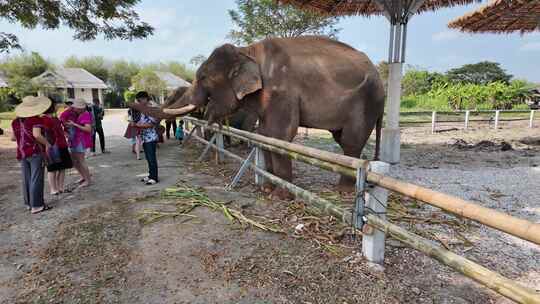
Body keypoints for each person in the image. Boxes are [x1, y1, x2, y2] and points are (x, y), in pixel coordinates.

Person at [11, 96, 53, 214]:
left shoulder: (15, 121)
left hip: (22, 153)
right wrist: (47, 144)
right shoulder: (36, 120)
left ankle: (29, 204)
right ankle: (37, 205)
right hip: (35, 152)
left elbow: (13, 138)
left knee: (27, 179)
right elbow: (37, 135)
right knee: (36, 178)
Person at [42, 98, 73, 195]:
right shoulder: (44, 119)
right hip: (52, 147)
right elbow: (46, 134)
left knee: (62, 167)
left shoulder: (55, 118)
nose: (57, 106)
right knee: (52, 169)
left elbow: (59, 130)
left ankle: (60, 187)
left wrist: (65, 133)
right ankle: (53, 189)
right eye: (55, 105)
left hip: (62, 145)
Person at [60, 99, 92, 187]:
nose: (74, 109)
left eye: (75, 108)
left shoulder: (85, 114)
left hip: (80, 141)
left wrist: (74, 124)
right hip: (74, 140)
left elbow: (88, 129)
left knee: (81, 161)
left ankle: (88, 180)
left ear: (80, 108)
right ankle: (83, 177)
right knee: (74, 161)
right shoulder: (77, 114)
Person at [133, 91, 160, 185]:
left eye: (140, 100)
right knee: (148, 158)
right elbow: (142, 120)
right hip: (145, 137)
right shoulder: (144, 108)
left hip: (151, 137)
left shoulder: (151, 108)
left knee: (151, 158)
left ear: (145, 99)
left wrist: (138, 125)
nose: (139, 102)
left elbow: (152, 123)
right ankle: (150, 175)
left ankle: (155, 177)